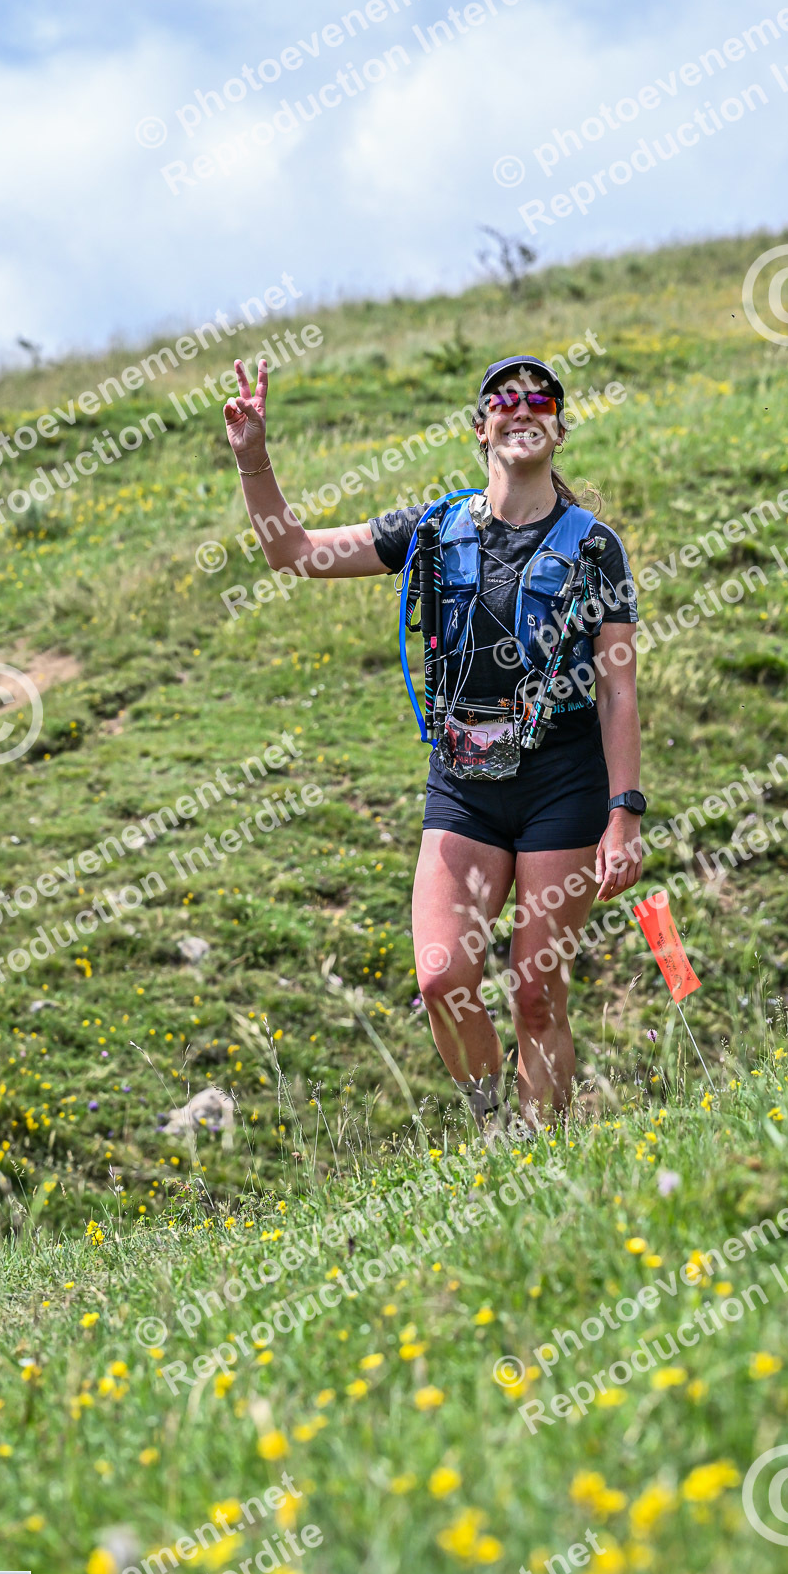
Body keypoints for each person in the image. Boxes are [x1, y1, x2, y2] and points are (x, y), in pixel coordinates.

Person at [224, 353, 644, 1125]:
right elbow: (295, 553)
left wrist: (625, 814)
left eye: (542, 401)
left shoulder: (595, 548)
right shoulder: (431, 530)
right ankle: (493, 1122)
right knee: (442, 979)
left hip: (564, 785)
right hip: (462, 786)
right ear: (480, 428)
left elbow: (618, 688)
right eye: (505, 401)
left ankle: (542, 1151)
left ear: (559, 428)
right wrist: (255, 461)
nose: (524, 411)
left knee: (536, 992)